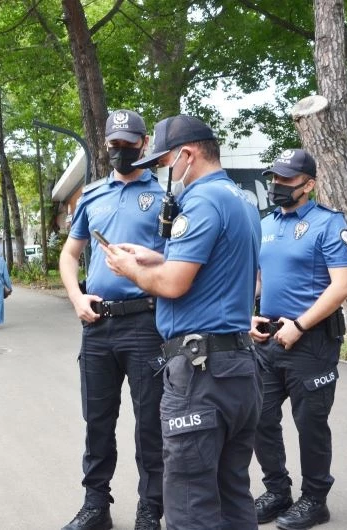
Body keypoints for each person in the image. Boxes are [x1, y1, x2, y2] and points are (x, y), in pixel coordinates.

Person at [105, 115, 262, 529]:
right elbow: (221, 267)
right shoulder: (241, 199)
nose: (164, 173)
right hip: (238, 366)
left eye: (165, 162)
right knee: (232, 494)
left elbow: (173, 284)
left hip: (201, 373)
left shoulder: (202, 201)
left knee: (191, 502)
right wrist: (158, 257)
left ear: (187, 155)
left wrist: (129, 269)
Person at [59, 109, 166, 530]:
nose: (121, 151)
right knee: (97, 421)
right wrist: (76, 297)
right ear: (105, 145)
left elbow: (181, 257)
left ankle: (150, 508)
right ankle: (95, 505)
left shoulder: (164, 195)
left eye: (129, 144)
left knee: (150, 424)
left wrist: (149, 261)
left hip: (145, 323)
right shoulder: (91, 195)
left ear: (144, 144)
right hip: (97, 325)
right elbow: (70, 255)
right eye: (114, 144)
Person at [249, 149, 347, 530]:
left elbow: (342, 285)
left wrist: (300, 325)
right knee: (259, 417)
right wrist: (248, 312)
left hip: (311, 342)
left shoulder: (328, 224)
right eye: (274, 178)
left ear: (308, 185)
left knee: (311, 423)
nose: (277, 185)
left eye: (286, 179)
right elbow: (258, 278)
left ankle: (314, 499)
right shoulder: (265, 224)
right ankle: (277, 491)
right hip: (267, 340)